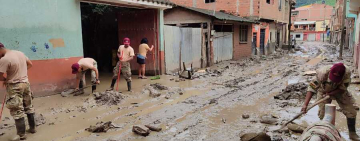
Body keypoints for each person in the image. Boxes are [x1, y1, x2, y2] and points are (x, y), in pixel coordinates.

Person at [301, 63, 360, 140]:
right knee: (323, 114)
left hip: (340, 91)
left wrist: (331, 93)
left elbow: (343, 88)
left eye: (336, 78)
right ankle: (325, 133)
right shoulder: (322, 73)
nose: (333, 80)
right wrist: (305, 104)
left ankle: (352, 134)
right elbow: (312, 88)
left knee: (351, 111)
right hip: (323, 90)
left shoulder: (347, 73)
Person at [0, 42, 36, 141]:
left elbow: (0, 76)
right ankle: (33, 129)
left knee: (17, 110)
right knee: (29, 106)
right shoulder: (20, 53)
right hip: (26, 83)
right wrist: (20, 73)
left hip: (14, 86)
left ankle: (22, 135)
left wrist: (6, 79)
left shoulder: (4, 59)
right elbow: (30, 64)